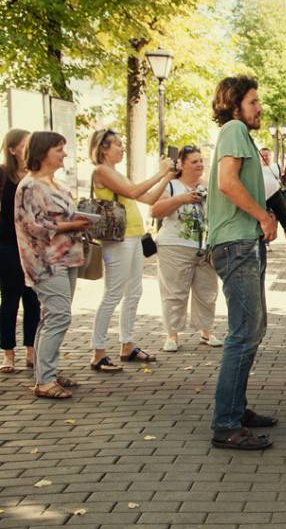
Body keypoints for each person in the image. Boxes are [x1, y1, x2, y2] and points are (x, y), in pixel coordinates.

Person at [207, 75, 278, 451]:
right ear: (235, 106)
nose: (258, 107)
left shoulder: (239, 134)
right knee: (243, 332)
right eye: (253, 101)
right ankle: (226, 424)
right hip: (236, 243)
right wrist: (263, 217)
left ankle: (236, 408)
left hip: (242, 241)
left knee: (253, 328)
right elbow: (227, 183)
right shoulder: (234, 129)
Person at [88, 128, 175, 372]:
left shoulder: (117, 173)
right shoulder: (101, 171)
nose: (122, 148)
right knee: (113, 293)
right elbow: (134, 192)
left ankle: (127, 344)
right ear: (103, 148)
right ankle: (98, 352)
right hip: (118, 239)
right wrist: (159, 172)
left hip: (133, 235)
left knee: (134, 292)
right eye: (117, 144)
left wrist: (167, 176)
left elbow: (147, 199)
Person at [14, 132, 92, 398]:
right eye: (59, 149)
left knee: (52, 316)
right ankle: (44, 380)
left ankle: (45, 370)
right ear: (44, 152)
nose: (64, 154)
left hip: (66, 256)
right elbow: (33, 226)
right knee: (59, 315)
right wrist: (72, 224)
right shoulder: (30, 186)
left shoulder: (55, 184)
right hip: (45, 261)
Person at [150, 145, 221, 352]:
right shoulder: (172, 185)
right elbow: (154, 210)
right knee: (175, 292)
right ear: (182, 164)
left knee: (207, 291)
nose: (200, 164)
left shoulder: (208, 186)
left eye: (201, 161)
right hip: (174, 245)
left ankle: (206, 331)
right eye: (194, 161)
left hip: (204, 247)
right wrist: (183, 199)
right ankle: (172, 335)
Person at [1, 129, 40, 374]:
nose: (28, 149)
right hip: (6, 245)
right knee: (10, 300)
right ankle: (8, 353)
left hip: (31, 245)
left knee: (33, 299)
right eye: (24, 145)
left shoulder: (34, 176)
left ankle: (31, 350)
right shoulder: (3, 174)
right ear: (13, 149)